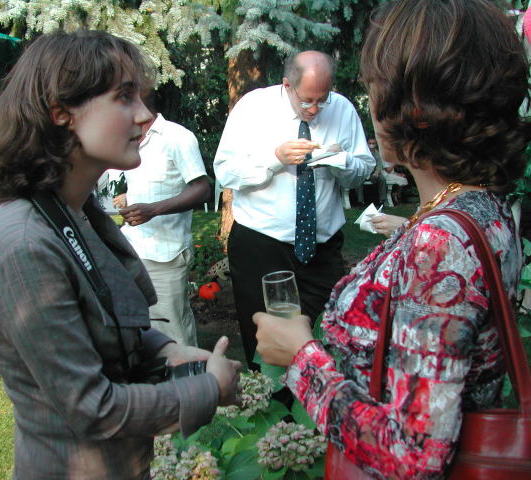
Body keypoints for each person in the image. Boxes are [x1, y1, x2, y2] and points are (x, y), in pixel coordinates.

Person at [253, 0, 529, 478]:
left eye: (374, 89)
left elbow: (412, 456)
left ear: (409, 105)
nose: (370, 106)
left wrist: (301, 357)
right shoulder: (483, 206)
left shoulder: (440, 243)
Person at [0, 31, 240, 480]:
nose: (144, 114)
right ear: (61, 112)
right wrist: (209, 390)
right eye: (124, 97)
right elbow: (92, 408)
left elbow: (106, 324)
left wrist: (168, 349)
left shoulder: (73, 212)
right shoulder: (25, 244)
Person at [213, 51, 375, 369]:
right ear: (287, 85)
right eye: (306, 101)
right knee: (266, 345)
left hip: (322, 248)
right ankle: (271, 399)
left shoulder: (343, 108)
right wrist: (275, 159)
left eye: (322, 101)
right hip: (261, 245)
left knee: (327, 335)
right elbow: (225, 172)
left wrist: (340, 161)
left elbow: (363, 169)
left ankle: (321, 396)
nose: (314, 109)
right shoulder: (252, 107)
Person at [112, 93, 211, 346]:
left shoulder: (177, 137)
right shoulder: (128, 137)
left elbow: (202, 189)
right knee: (140, 329)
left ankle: (191, 372)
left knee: (173, 330)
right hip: (131, 250)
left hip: (166, 254)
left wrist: (153, 210)